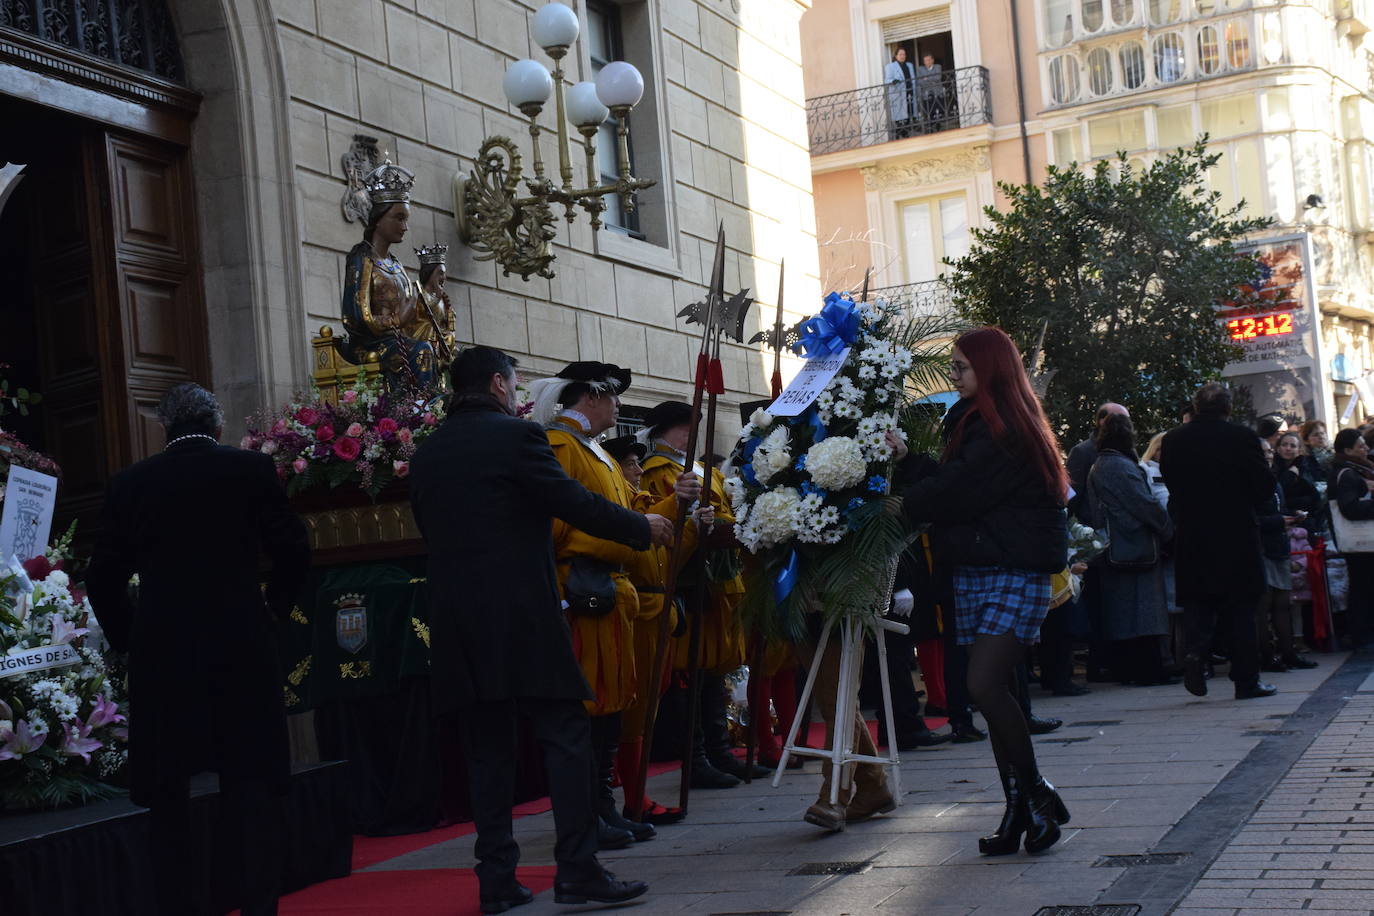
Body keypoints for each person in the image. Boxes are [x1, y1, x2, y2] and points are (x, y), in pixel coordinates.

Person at [409, 346, 672, 912]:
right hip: (523, 613)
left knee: (487, 750)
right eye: (516, 381)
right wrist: (640, 527)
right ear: (501, 387)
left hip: (457, 618)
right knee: (566, 736)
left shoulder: (427, 452)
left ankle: (496, 879)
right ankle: (577, 868)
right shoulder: (517, 437)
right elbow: (571, 503)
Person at [86, 383, 312, 916]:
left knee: (169, 796)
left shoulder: (130, 483)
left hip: (163, 652)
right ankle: (257, 904)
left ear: (165, 428)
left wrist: (129, 636)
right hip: (241, 643)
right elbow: (294, 550)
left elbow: (102, 578)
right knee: (250, 781)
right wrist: (273, 608)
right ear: (217, 425)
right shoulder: (250, 471)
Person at [902, 327, 1071, 856]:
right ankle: (1021, 808)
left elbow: (959, 492)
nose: (953, 376)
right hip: (980, 564)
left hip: (1011, 567)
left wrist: (902, 503)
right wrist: (909, 458)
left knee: (984, 686)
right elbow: (960, 484)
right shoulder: (978, 420)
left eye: (960, 367)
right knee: (999, 691)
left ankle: (1037, 795)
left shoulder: (1007, 427)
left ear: (990, 368)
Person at [527, 362, 704, 850]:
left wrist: (675, 504)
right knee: (591, 706)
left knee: (613, 706)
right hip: (582, 594)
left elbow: (634, 513)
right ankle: (587, 814)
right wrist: (629, 540)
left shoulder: (596, 453)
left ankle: (605, 806)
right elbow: (560, 530)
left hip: (612, 596)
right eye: (613, 397)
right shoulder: (560, 448)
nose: (620, 406)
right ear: (590, 397)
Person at [639, 401, 769, 788]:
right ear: (665, 432)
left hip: (718, 578)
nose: (690, 435)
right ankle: (694, 757)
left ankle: (720, 750)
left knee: (713, 670)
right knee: (689, 672)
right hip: (689, 580)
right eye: (684, 428)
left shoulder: (705, 470)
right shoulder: (660, 472)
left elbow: (725, 509)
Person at [1161, 383, 1277, 700]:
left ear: (1196, 407)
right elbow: (1263, 489)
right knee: (1242, 609)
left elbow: (1172, 483)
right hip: (1236, 533)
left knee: (1199, 604)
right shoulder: (1241, 438)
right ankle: (1246, 680)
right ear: (1228, 408)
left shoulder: (1173, 440)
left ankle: (1195, 654)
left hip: (1193, 533)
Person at [1087, 414, 1174, 686]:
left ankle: (1130, 669)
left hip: (1118, 548)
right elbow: (1142, 503)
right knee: (1142, 612)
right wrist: (1167, 528)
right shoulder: (1119, 465)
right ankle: (1148, 671)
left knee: (1124, 614)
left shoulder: (1101, 464)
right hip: (1134, 548)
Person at [1327, 428, 1374, 649]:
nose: (1366, 448)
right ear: (1347, 450)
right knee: (1362, 587)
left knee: (1363, 586)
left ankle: (1363, 633)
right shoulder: (1348, 473)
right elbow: (1350, 508)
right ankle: (1361, 635)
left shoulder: (1358, 470)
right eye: (1360, 446)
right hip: (1360, 543)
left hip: (1364, 543)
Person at [884, 47, 916, 139]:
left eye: (904, 54)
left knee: (909, 116)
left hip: (910, 93)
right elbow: (887, 80)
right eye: (900, 54)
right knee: (899, 119)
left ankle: (905, 136)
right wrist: (894, 81)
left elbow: (913, 79)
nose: (902, 56)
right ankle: (901, 137)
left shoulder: (909, 65)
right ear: (896, 56)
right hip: (898, 95)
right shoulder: (890, 66)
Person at [917, 52, 945, 130]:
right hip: (927, 94)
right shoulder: (920, 69)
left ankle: (938, 127)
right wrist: (931, 79)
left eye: (929, 60)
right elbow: (920, 82)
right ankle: (931, 128)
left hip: (937, 92)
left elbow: (938, 77)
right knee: (929, 113)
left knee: (938, 112)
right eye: (925, 61)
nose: (927, 62)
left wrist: (926, 78)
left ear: (932, 60)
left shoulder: (938, 67)